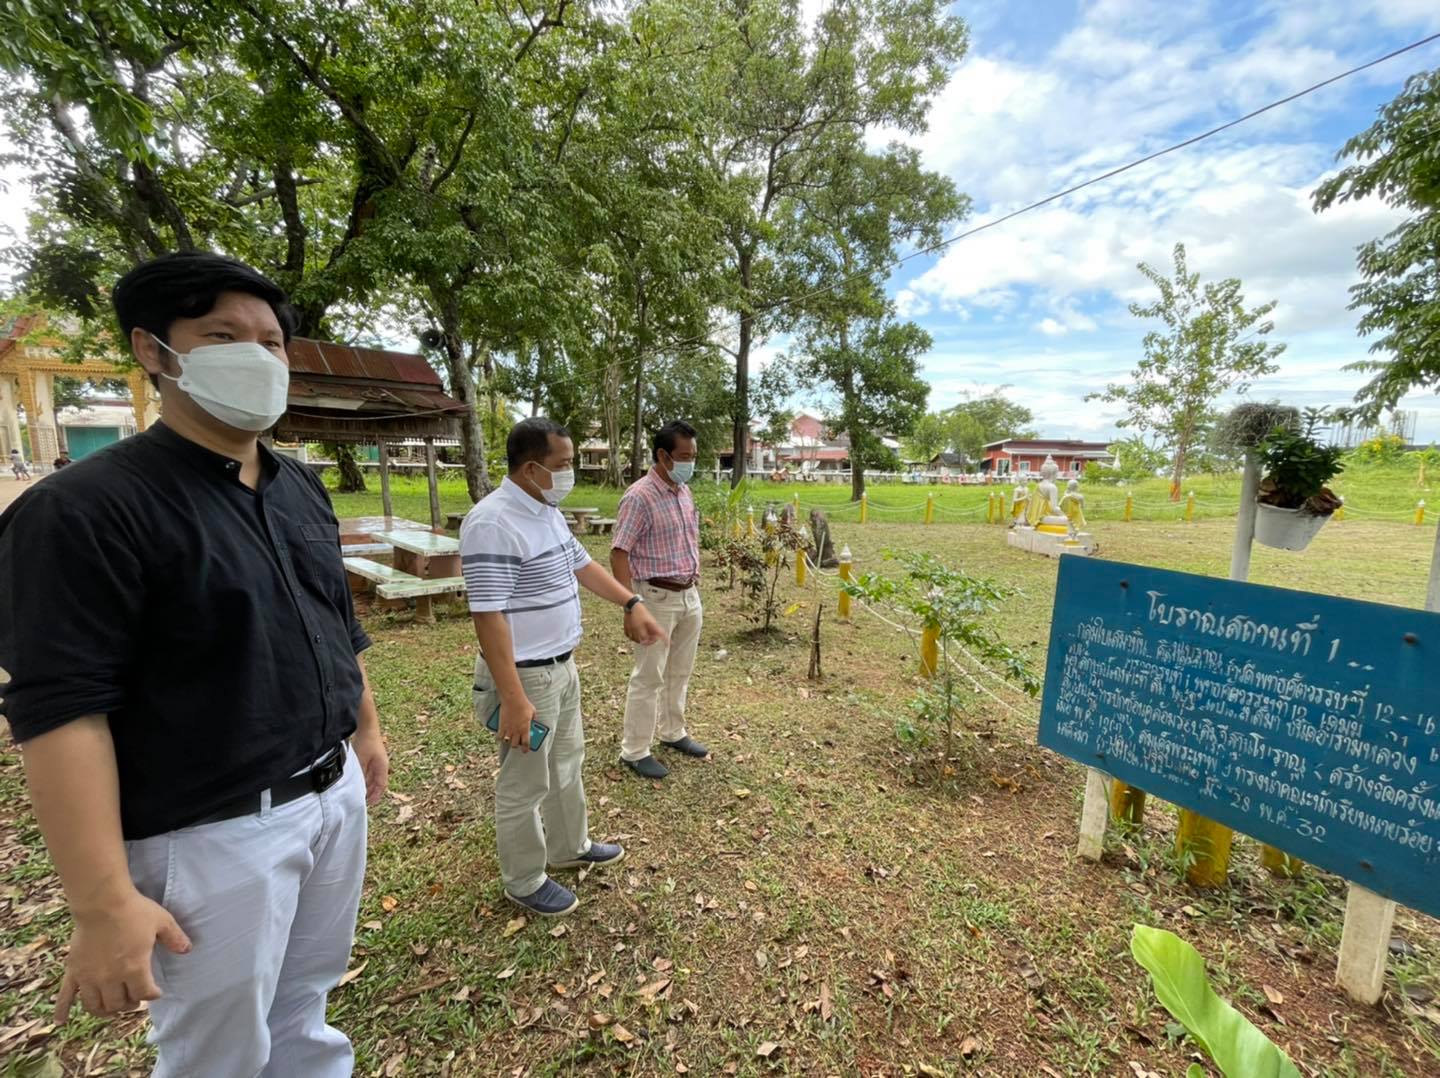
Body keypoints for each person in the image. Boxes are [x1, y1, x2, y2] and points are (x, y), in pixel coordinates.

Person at [0, 251, 388, 1077]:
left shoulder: (298, 486)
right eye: (222, 335)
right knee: (218, 1053)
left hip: (332, 794)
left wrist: (367, 729)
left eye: (271, 341)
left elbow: (335, 620)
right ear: (154, 349)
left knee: (304, 1005)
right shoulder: (83, 510)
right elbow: (62, 710)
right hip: (212, 833)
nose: (257, 356)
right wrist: (102, 902)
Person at [461, 417, 666, 917]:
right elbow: (488, 617)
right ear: (532, 469)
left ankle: (569, 846)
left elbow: (583, 566)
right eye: (565, 464)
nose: (571, 472)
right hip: (526, 676)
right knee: (524, 781)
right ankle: (524, 879)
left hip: (561, 667)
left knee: (567, 761)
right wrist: (514, 698)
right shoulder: (493, 523)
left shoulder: (545, 511)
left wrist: (631, 602)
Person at [610, 420, 709, 780]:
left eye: (694, 456)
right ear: (663, 456)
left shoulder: (683, 491)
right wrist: (629, 604)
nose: (690, 462)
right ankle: (635, 750)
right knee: (649, 676)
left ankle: (673, 731)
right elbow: (619, 552)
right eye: (684, 456)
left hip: (688, 594)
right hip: (655, 596)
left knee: (680, 671)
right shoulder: (639, 496)